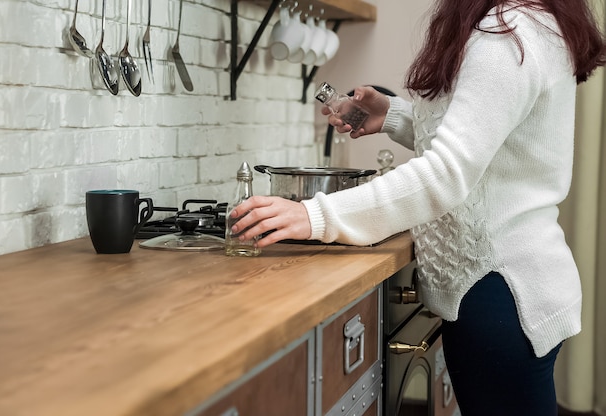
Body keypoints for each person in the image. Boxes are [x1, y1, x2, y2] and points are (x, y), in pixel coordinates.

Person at [230, 0, 606, 414]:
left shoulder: (507, 31)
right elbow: (492, 144)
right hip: (517, 283)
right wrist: (392, 115)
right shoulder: (528, 21)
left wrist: (314, 215)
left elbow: (446, 172)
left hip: (501, 290)